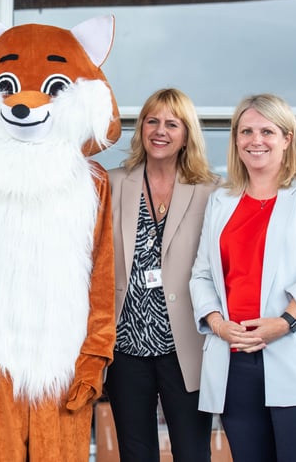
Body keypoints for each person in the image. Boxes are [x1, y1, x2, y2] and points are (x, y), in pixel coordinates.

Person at [190, 93, 296, 462]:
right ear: (235, 140)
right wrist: (217, 323)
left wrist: (285, 321)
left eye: (267, 131)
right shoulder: (221, 200)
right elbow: (201, 275)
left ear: (287, 138)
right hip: (236, 361)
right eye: (245, 131)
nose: (255, 140)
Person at [105, 88, 218, 461]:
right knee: (135, 454)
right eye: (152, 121)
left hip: (185, 346)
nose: (160, 130)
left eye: (172, 123)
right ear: (140, 129)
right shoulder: (112, 183)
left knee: (192, 452)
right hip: (126, 346)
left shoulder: (211, 191)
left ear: (187, 133)